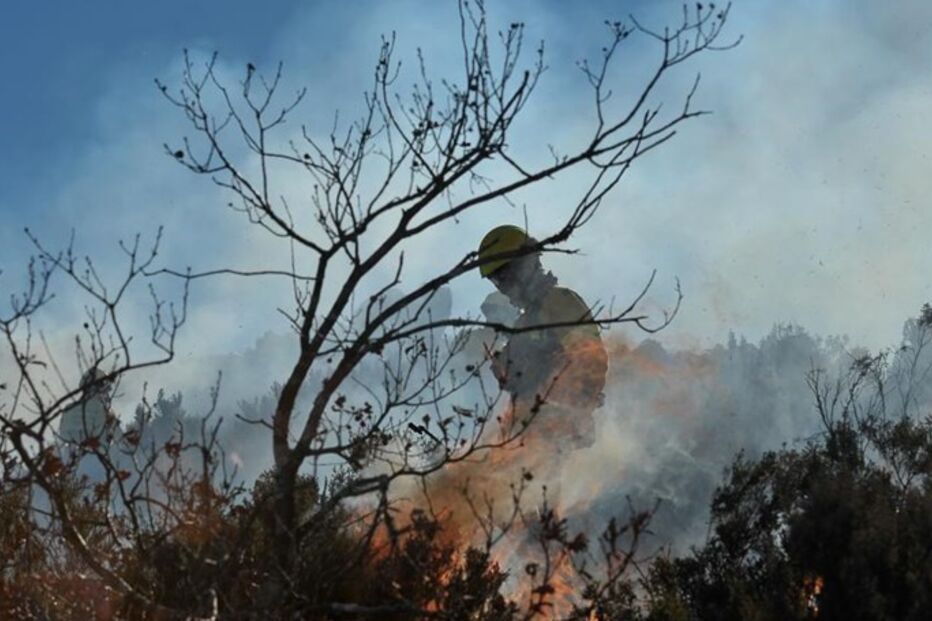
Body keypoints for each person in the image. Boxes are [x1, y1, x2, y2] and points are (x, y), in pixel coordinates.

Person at [477, 225, 607, 449]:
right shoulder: (524, 322)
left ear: (526, 264)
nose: (504, 288)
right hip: (528, 438)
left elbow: (591, 359)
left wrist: (564, 410)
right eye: (497, 281)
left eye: (505, 276)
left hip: (560, 437)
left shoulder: (559, 302)